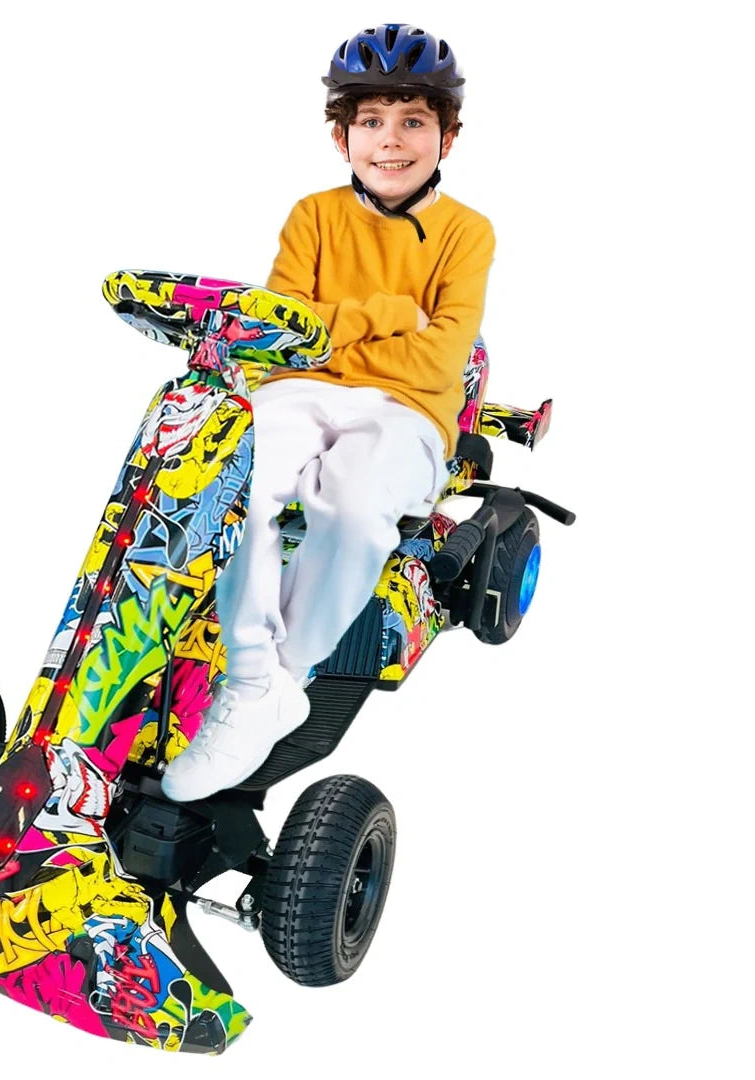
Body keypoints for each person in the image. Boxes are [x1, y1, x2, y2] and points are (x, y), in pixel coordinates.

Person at [161, 23, 495, 802]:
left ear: (448, 134)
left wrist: (333, 333)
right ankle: (250, 668)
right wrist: (388, 314)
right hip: (298, 392)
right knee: (231, 478)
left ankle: (279, 679)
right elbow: (284, 339)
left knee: (351, 506)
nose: (391, 141)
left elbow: (441, 363)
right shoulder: (312, 217)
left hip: (410, 411)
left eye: (414, 121)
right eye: (372, 121)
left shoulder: (465, 234)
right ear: (341, 133)